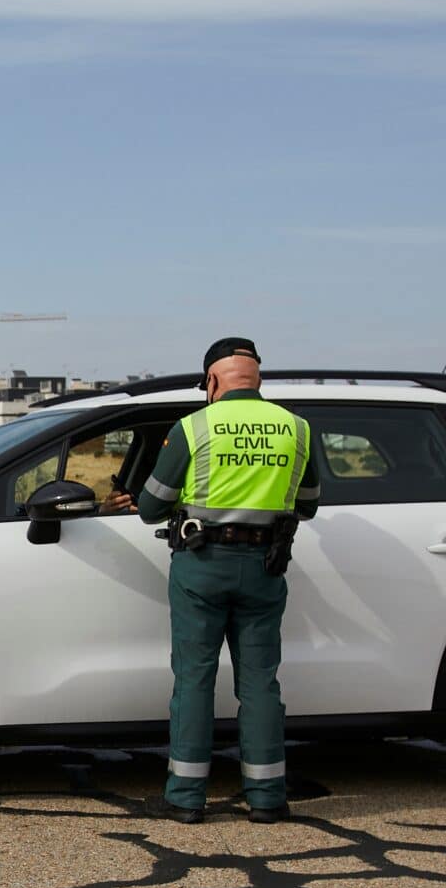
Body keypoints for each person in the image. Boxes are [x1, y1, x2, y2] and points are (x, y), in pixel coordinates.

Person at [134, 338, 319, 824]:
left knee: (195, 678)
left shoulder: (195, 427)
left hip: (203, 564)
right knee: (260, 682)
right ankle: (267, 798)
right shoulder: (296, 429)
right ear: (257, 379)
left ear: (212, 381)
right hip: (265, 565)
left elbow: (151, 504)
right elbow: (310, 502)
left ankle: (186, 798)